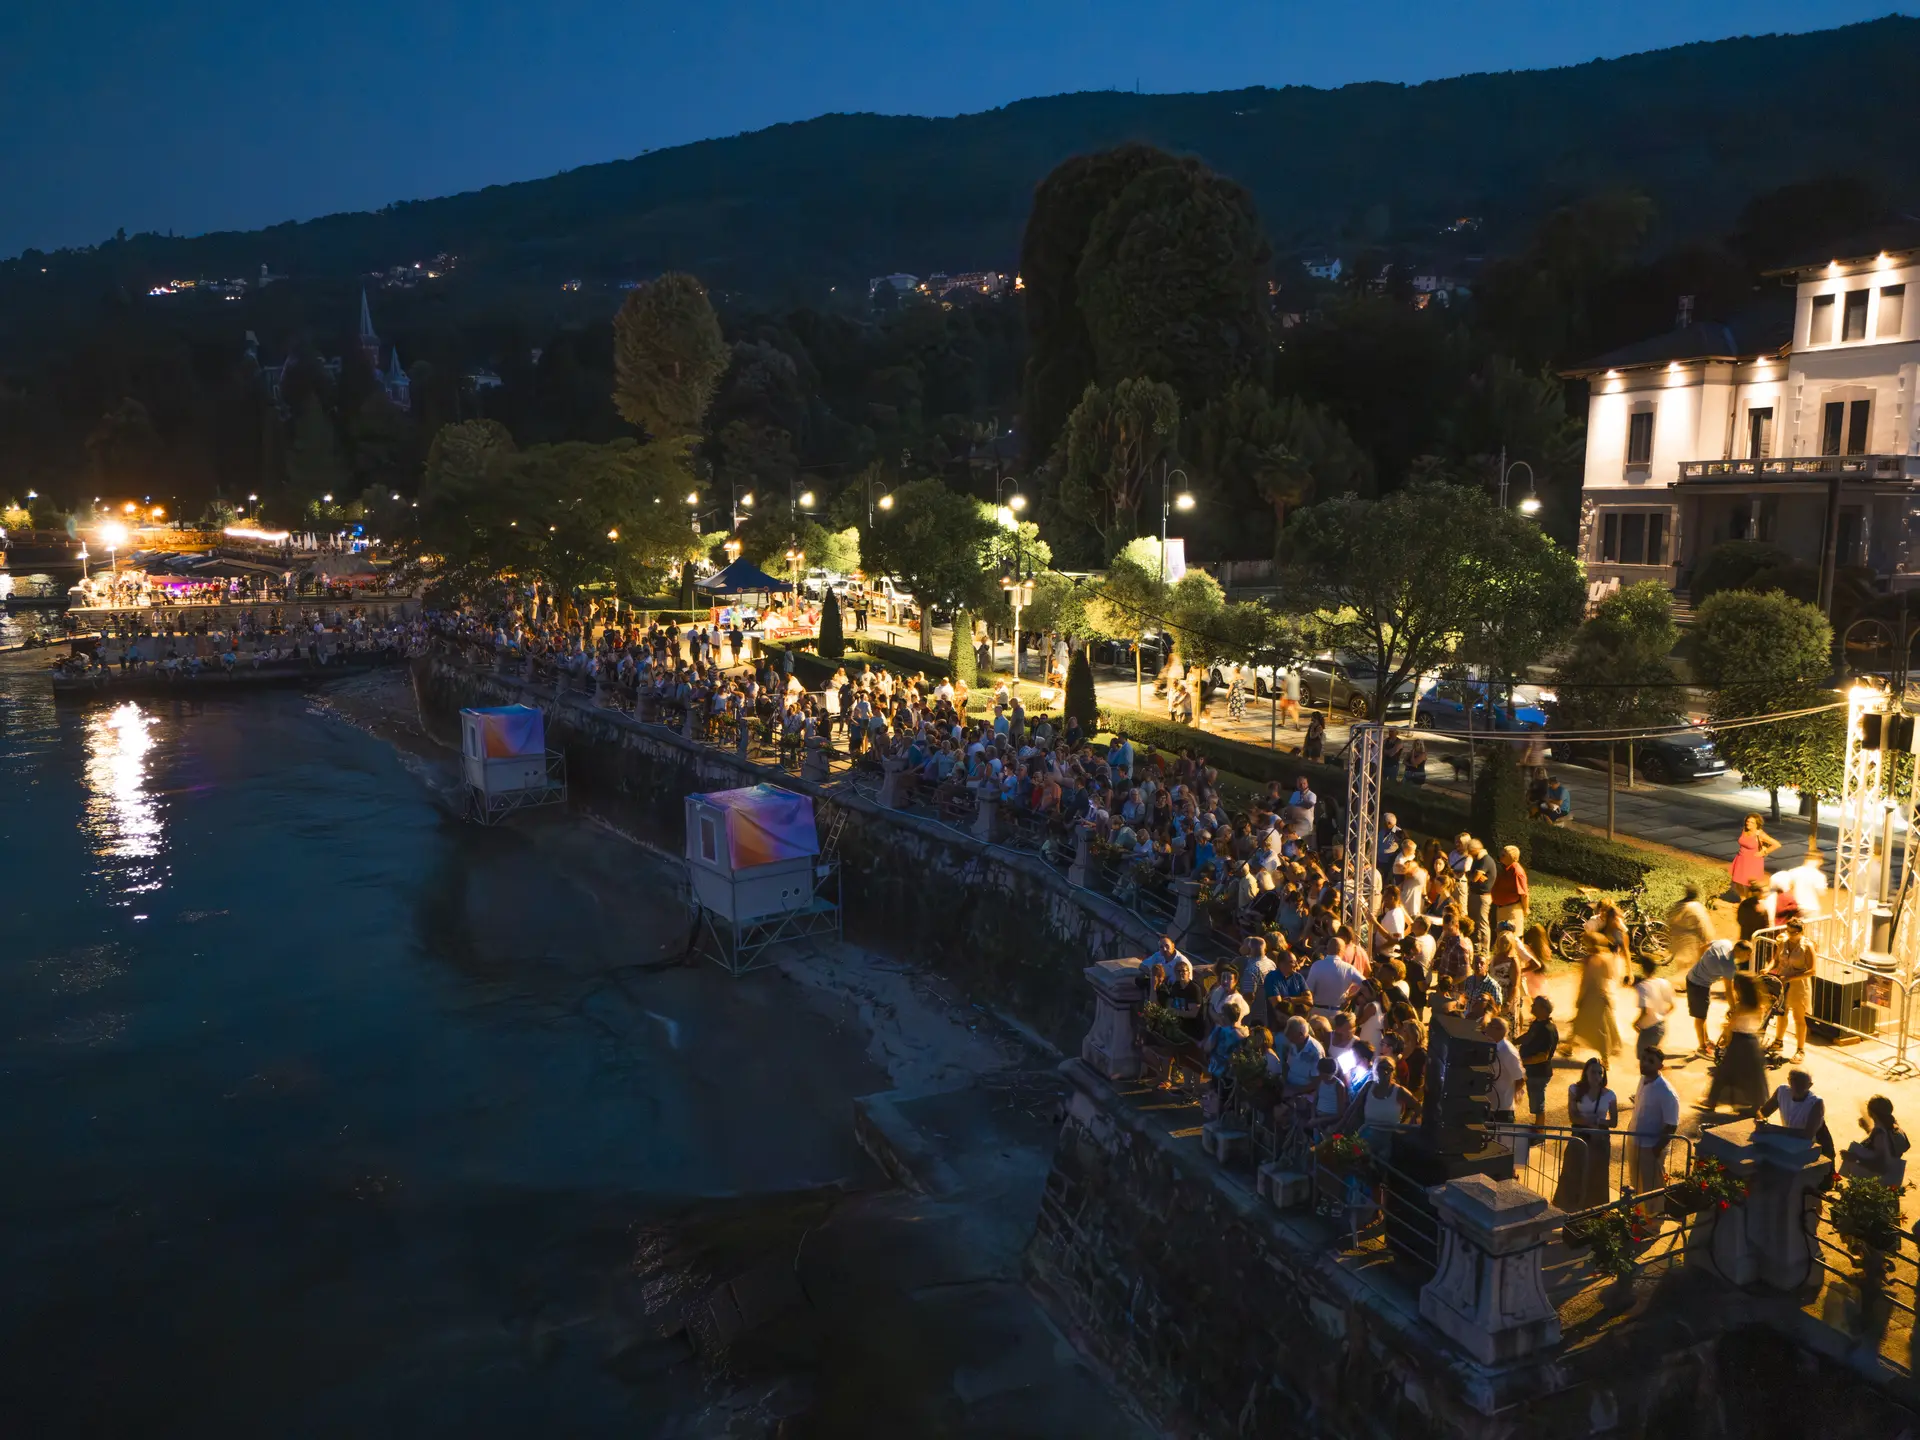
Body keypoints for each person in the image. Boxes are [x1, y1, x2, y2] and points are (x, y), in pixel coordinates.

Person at [1556, 1058, 1617, 1212]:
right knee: (1573, 1173)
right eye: (1593, 1072)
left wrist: (1599, 1121)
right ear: (1586, 1073)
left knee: (1597, 1176)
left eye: (1600, 1073)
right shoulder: (1575, 1090)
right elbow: (1573, 1116)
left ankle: (1596, 1212)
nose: (1597, 1076)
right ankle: (1569, 1208)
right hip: (1580, 1136)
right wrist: (1591, 1123)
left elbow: (1614, 1121)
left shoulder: (1609, 1095)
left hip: (1599, 1140)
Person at [1706, 974, 1770, 1116]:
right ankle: (1756, 1106)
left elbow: (1731, 1025)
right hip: (1752, 1041)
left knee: (1723, 1072)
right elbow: (1758, 1024)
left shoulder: (1741, 1006)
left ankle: (1711, 1101)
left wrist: (1724, 1036)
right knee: (1754, 1076)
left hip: (1738, 1040)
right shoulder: (1760, 1005)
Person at [1627, 1051, 1680, 1195]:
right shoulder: (1643, 1080)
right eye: (1643, 1059)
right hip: (1635, 1142)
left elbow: (1671, 1125)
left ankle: (1653, 1216)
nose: (1644, 1063)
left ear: (1660, 1066)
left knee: (1652, 1188)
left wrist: (1655, 1150)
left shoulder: (1666, 1092)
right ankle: (1638, 1214)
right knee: (1636, 1183)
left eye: (1650, 1061)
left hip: (1650, 1147)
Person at [1683, 937, 1742, 1056]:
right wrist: (1733, 1008)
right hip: (1698, 984)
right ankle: (1702, 1047)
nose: (1749, 957)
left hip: (1696, 979)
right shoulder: (1728, 965)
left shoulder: (1725, 942)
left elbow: (1703, 947)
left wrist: (1701, 964)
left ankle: (1706, 1040)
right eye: (1748, 954)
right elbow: (1728, 990)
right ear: (1742, 952)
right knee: (1700, 1018)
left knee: (1703, 1014)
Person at [1767, 916, 1816, 1062]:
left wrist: (1789, 978)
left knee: (1798, 1018)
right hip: (1782, 982)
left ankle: (1800, 1050)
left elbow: (1812, 970)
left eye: (1794, 933)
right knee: (1781, 1013)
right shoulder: (1783, 941)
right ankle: (1778, 1041)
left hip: (1799, 985)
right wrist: (1768, 968)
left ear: (1801, 932)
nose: (1790, 935)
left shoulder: (1807, 946)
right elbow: (1775, 959)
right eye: (1788, 931)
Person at [1567, 938, 1623, 1061]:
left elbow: (1585, 981)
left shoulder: (1589, 960)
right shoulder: (1607, 959)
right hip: (1602, 995)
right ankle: (1604, 1057)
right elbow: (1610, 976)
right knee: (1602, 1026)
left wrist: (1579, 998)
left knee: (1581, 1023)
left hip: (1590, 996)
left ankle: (1570, 1047)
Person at [1760, 1067, 1832, 1158]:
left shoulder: (1816, 1103)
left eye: (1801, 1083)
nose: (1797, 1086)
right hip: (1791, 1142)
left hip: (1813, 1147)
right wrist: (1760, 1120)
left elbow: (1807, 1135)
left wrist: (1774, 1129)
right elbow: (1764, 1112)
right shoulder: (1782, 1091)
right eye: (1794, 1081)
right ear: (1789, 1081)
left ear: (1810, 1085)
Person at [1843, 1096, 1911, 1182]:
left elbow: (1881, 1166)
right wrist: (1868, 1130)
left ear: (1872, 1114)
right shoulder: (1896, 1128)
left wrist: (1854, 1158)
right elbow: (1890, 1145)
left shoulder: (1880, 1133)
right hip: (1892, 1179)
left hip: (1876, 1184)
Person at [1517, 996, 1559, 1127]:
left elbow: (1543, 1056)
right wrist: (1513, 1041)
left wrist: (1523, 1062)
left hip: (1539, 1073)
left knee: (1537, 1103)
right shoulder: (1537, 1024)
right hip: (1530, 1070)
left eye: (1535, 1005)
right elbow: (1528, 1037)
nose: (1532, 1007)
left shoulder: (1548, 1030)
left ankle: (1539, 1131)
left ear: (1543, 1009)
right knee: (1516, 1091)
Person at [1630, 954, 1675, 1063]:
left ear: (1643, 969)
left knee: (1645, 1060)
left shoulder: (1643, 987)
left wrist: (1635, 1023)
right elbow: (1672, 1006)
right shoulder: (1664, 983)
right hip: (1662, 1026)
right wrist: (1661, 1015)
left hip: (1649, 1029)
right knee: (1654, 1059)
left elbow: (1646, 1011)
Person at [1664, 885, 1714, 973]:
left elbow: (1669, 921)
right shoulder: (1696, 907)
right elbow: (1703, 925)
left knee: (1682, 965)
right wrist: (1708, 939)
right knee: (1690, 966)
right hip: (1690, 942)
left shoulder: (1678, 905)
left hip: (1677, 940)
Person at [1484, 1016, 1524, 1125]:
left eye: (1489, 1025)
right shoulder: (1493, 1047)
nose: (1485, 1028)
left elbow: (1519, 1078)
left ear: (1498, 1030)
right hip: (1490, 1106)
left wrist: (1514, 1095)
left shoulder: (1507, 1051)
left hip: (1502, 1109)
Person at [1305, 945, 1364, 1017]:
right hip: (1337, 1014)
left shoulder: (1316, 965)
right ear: (1342, 951)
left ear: (1327, 950)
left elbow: (1308, 991)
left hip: (1317, 1013)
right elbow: (1366, 984)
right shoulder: (1349, 968)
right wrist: (1350, 997)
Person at [1730, 812, 1781, 892]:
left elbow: (1777, 844)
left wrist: (1764, 852)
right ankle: (1743, 900)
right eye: (1748, 821)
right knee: (1737, 881)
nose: (1748, 823)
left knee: (1750, 885)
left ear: (1757, 824)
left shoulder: (1759, 834)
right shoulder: (1744, 830)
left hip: (1753, 861)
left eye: (1752, 822)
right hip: (1740, 859)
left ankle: (1750, 900)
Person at [1490, 845, 1529, 933]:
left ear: (1512, 857)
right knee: (1501, 938)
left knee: (1513, 939)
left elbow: (1524, 894)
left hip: (1512, 910)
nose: (1501, 857)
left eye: (1504, 855)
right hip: (1501, 909)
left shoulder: (1517, 871)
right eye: (1501, 854)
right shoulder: (1504, 868)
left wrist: (1526, 909)